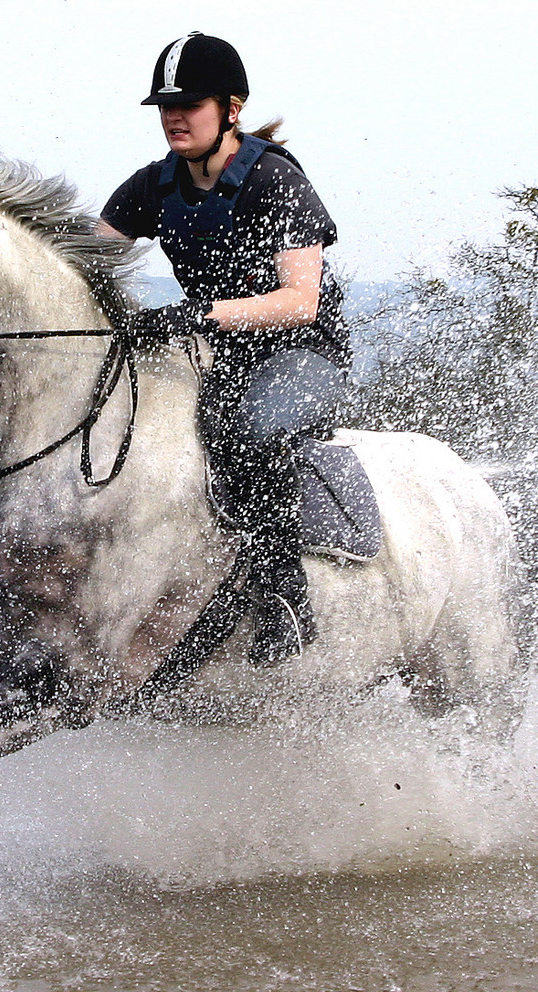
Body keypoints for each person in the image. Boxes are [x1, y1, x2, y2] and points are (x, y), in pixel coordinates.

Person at [99, 31, 351, 663]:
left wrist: (196, 314)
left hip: (303, 356)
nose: (174, 117)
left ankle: (284, 598)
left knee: (246, 433)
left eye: (190, 103)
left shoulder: (273, 179)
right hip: (221, 357)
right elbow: (84, 265)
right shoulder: (155, 186)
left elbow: (300, 301)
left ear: (231, 108)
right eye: (165, 105)